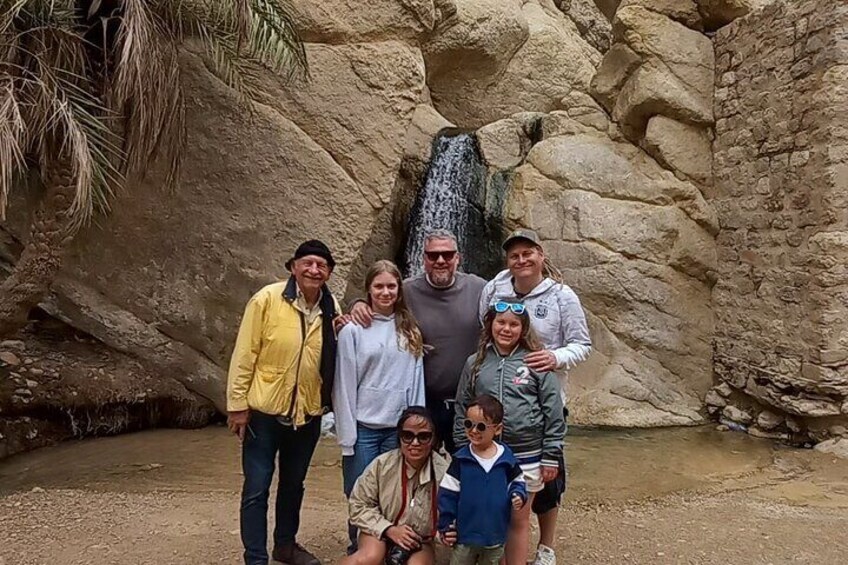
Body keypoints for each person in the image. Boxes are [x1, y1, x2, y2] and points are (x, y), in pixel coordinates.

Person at [479, 229, 591, 565]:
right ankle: (501, 546)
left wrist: (554, 357)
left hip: (545, 402)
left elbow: (582, 344)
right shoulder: (494, 289)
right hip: (499, 404)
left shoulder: (561, 296)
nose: (521, 260)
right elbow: (483, 329)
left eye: (528, 253)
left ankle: (545, 547)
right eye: (514, 255)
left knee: (546, 480)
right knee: (499, 477)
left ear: (541, 255)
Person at [226, 239, 341, 565]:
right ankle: (255, 557)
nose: (314, 270)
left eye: (321, 265)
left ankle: (285, 545)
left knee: (294, 484)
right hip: (264, 413)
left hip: (308, 414)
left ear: (329, 273)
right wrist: (237, 405)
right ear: (293, 267)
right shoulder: (266, 299)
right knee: (257, 487)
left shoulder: (332, 307)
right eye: (307, 263)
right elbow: (245, 353)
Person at [350, 229, 486, 454]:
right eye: (433, 255)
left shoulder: (479, 288)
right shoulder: (407, 290)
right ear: (423, 258)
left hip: (468, 402)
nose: (440, 260)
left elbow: (508, 313)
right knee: (420, 468)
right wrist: (357, 303)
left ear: (458, 258)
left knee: (468, 465)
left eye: (447, 254)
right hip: (424, 400)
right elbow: (381, 297)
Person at [453, 300, 565, 565]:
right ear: (490, 324)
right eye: (501, 322)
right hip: (485, 454)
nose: (506, 329)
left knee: (518, 518)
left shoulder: (536, 361)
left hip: (527, 454)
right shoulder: (476, 362)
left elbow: (554, 411)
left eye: (514, 324)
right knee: (493, 514)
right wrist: (461, 447)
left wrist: (551, 455)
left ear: (523, 329)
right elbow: (462, 405)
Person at [333, 260, 426, 553]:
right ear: (369, 290)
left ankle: (389, 548)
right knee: (359, 491)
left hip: (396, 429)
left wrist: (416, 430)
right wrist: (346, 435)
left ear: (399, 290)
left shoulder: (409, 331)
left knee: (394, 492)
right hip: (363, 429)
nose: (385, 292)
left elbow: (416, 383)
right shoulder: (352, 330)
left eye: (391, 286)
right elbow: (344, 385)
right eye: (379, 286)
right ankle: (359, 547)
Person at [342, 407, 451, 565]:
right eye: (408, 436)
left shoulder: (445, 473)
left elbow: (454, 516)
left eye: (423, 436)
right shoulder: (382, 465)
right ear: (399, 437)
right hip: (378, 530)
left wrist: (448, 532)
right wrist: (388, 529)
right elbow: (358, 504)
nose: (415, 443)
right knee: (370, 557)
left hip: (420, 540)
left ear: (433, 439)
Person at [437, 395, 527, 565]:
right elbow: (447, 494)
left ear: (497, 429)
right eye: (468, 424)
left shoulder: (506, 459)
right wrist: (446, 525)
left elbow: (518, 481)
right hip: (465, 535)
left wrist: (518, 494)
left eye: (481, 426)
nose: (474, 431)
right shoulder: (461, 460)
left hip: (495, 534)